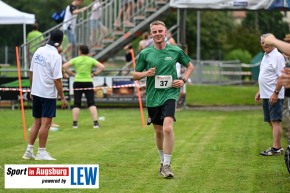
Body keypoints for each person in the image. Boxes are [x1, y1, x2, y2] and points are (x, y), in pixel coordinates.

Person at [132, 20, 195, 179]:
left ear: (165, 33)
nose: (158, 34)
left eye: (161, 31)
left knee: (167, 128)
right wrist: (146, 74)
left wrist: (183, 80)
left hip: (171, 93)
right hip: (153, 96)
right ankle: (162, 162)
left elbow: (190, 66)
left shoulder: (175, 51)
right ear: (151, 34)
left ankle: (167, 165)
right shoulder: (146, 53)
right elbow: (135, 75)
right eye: (155, 32)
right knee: (158, 131)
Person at [22, 29, 67, 161]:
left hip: (36, 92)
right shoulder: (56, 56)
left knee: (36, 121)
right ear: (60, 41)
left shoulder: (39, 51)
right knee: (46, 123)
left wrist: (31, 89)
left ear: (49, 38)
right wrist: (63, 97)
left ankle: (29, 151)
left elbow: (31, 71)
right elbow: (57, 79)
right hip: (47, 93)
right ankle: (41, 152)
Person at [255, 34, 285, 156]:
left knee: (275, 120)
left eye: (266, 42)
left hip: (274, 95)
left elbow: (281, 77)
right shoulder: (266, 56)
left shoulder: (277, 56)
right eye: (262, 42)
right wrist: (260, 91)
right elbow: (265, 75)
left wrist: (276, 93)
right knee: (270, 121)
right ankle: (278, 146)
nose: (265, 44)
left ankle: (276, 148)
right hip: (266, 94)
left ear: (272, 42)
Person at [62, 45, 105, 129]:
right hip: (88, 81)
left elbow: (64, 66)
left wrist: (72, 74)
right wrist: (94, 74)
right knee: (91, 102)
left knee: (77, 103)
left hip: (77, 81)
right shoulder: (90, 60)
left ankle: (75, 124)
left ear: (80, 51)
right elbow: (102, 67)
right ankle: (95, 123)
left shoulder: (76, 59)